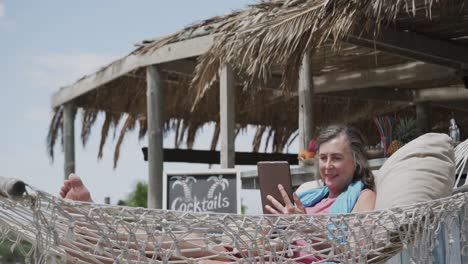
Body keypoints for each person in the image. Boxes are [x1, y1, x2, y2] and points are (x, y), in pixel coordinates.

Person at [59, 124, 376, 263]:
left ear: (355, 160)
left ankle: (98, 227)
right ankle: (95, 237)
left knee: (204, 253)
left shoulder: (363, 197)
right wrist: (273, 226)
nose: (327, 165)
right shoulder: (309, 195)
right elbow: (275, 232)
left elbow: (357, 255)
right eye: (322, 158)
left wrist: (305, 226)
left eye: (336, 158)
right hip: (264, 253)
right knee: (193, 251)